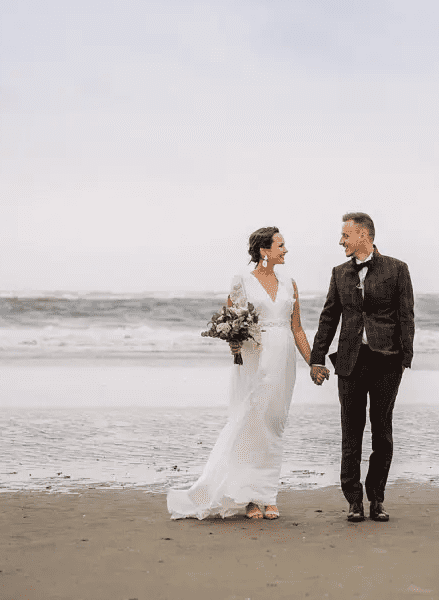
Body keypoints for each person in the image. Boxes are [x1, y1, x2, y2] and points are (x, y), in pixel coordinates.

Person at [167, 227, 313, 520]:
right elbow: (229, 322)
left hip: (283, 359)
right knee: (250, 423)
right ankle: (248, 498)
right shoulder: (243, 281)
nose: (285, 250)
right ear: (264, 251)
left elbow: (296, 328)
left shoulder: (290, 283)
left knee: (274, 424)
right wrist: (233, 342)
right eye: (281, 245)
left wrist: (314, 363)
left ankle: (268, 495)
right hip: (254, 359)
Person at [309, 212, 415, 523]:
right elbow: (329, 317)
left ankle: (377, 499)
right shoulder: (339, 273)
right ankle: (353, 501)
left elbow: (407, 316)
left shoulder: (397, 269)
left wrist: (404, 359)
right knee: (350, 432)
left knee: (382, 432)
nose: (340, 241)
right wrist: (317, 358)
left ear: (363, 236)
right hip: (350, 362)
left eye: (345, 235)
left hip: (387, 360)